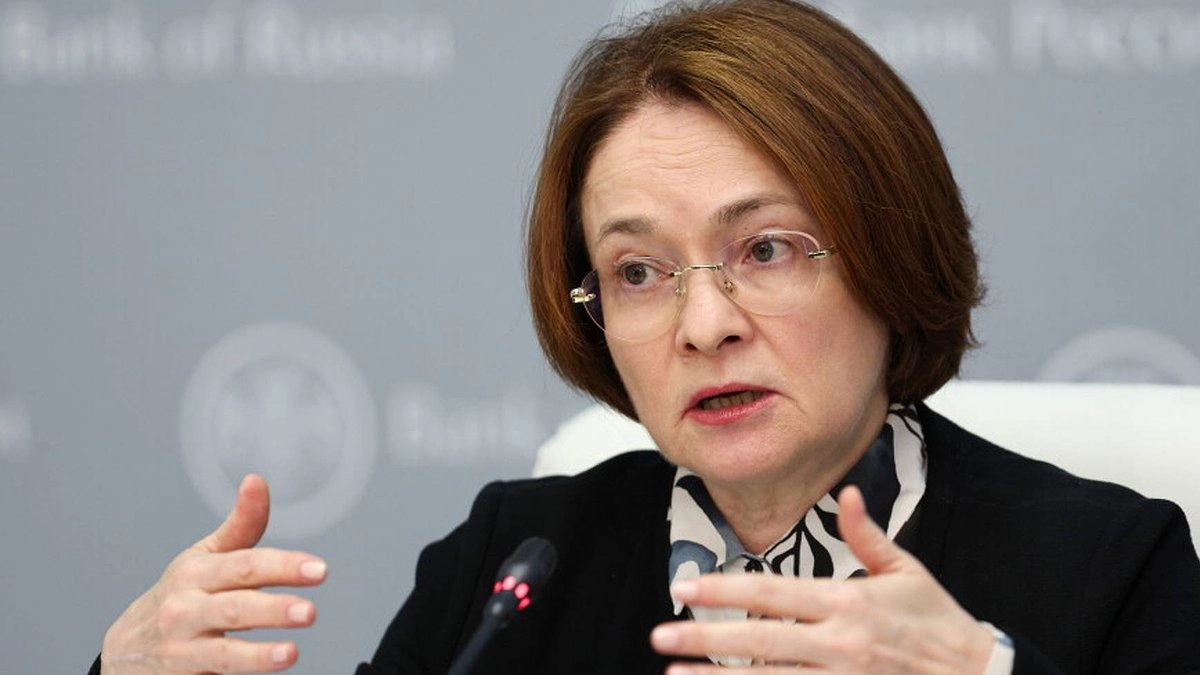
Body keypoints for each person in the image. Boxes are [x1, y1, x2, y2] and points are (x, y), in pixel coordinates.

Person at [90, 1, 1200, 673]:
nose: (705, 325)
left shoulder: (1112, 563)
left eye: (767, 249)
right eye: (637, 272)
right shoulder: (520, 564)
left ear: (887, 257)